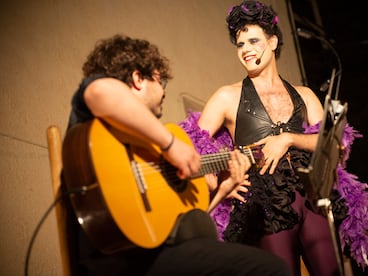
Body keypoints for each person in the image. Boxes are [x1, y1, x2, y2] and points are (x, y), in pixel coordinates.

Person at [62, 34, 292, 276]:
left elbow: (185, 230)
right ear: (138, 79)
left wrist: (225, 188)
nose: (163, 93)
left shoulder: (146, 148)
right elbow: (98, 91)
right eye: (161, 82)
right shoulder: (102, 119)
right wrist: (171, 145)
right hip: (120, 261)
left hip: (155, 254)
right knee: (273, 270)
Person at [179, 1, 368, 276]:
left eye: (253, 41)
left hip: (311, 200)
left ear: (272, 42)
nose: (246, 49)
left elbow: (336, 145)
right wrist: (223, 183)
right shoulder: (226, 96)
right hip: (263, 208)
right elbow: (190, 148)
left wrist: (289, 139)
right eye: (240, 44)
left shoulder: (305, 94)